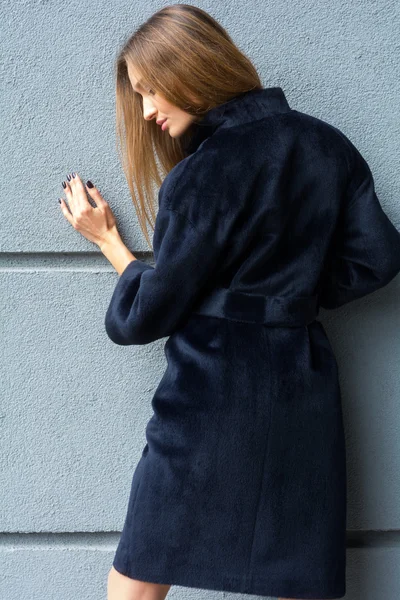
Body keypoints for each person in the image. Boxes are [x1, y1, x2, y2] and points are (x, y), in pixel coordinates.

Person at [58, 5, 400, 600]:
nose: (146, 112)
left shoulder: (202, 172)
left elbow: (147, 315)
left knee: (139, 571)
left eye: (149, 90)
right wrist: (291, 296)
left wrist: (111, 244)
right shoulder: (325, 145)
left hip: (209, 396)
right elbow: (379, 258)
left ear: (188, 67)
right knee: (294, 579)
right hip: (302, 389)